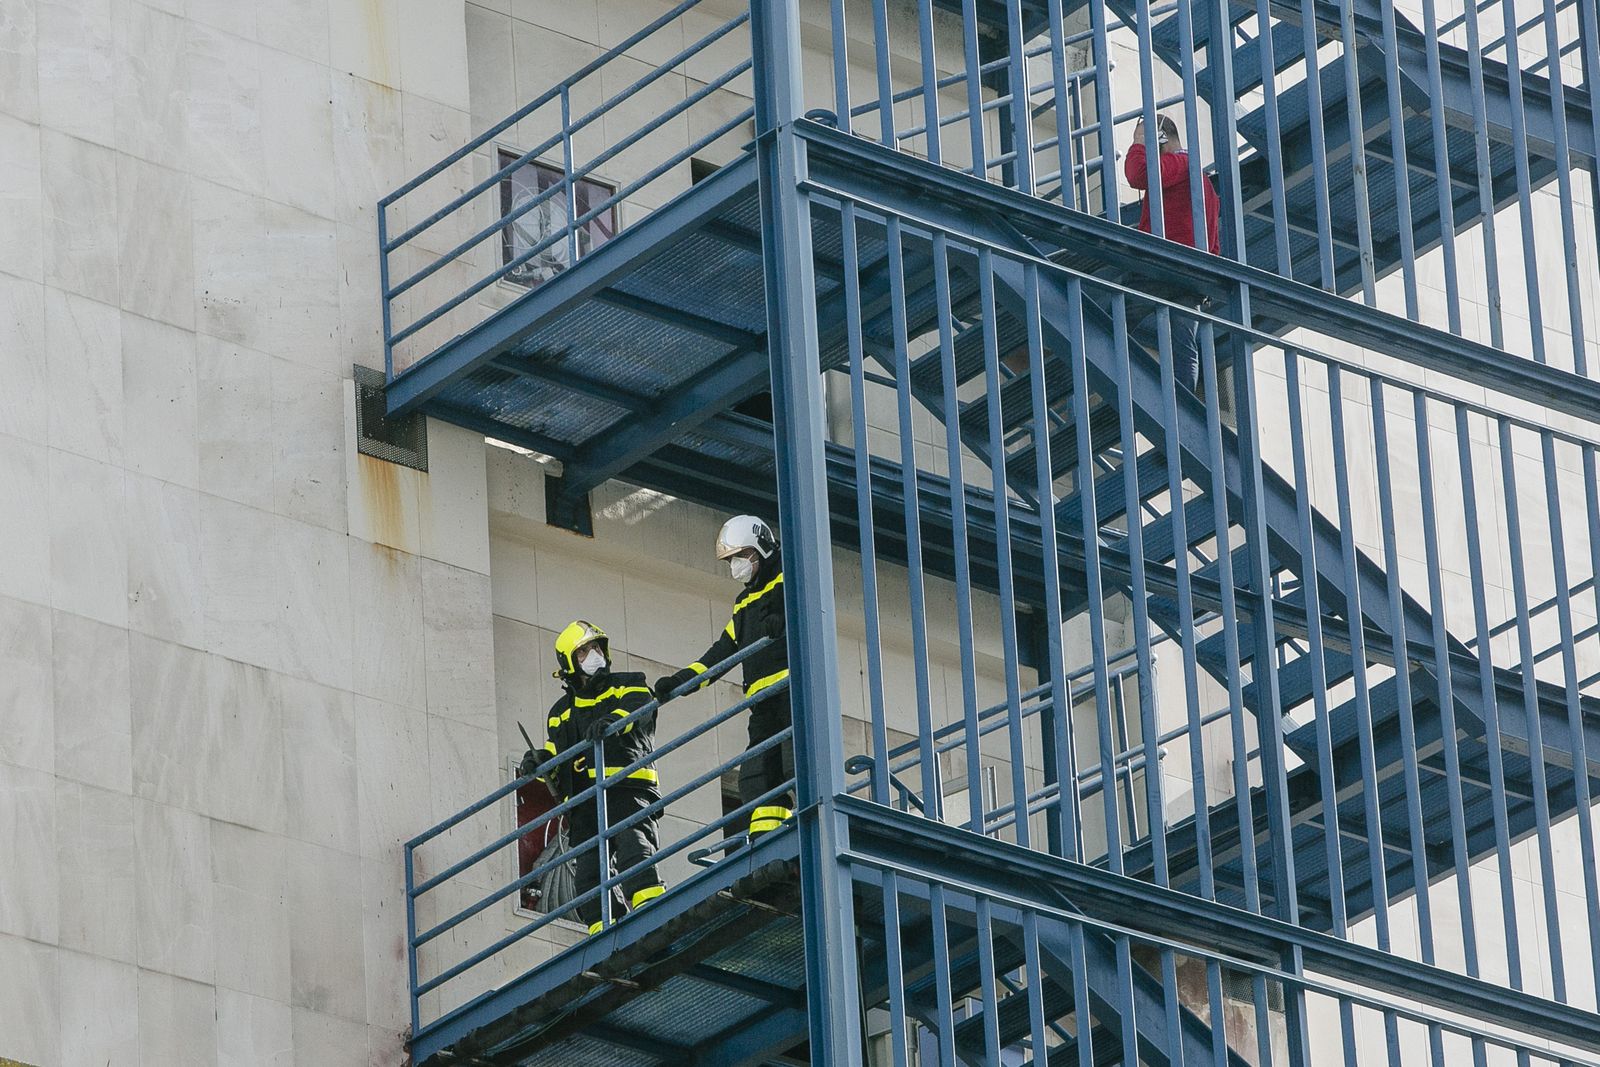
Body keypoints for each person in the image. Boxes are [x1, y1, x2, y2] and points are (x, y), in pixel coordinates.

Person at [520, 619, 664, 934]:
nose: (595, 654)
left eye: (597, 647)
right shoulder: (560, 712)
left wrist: (613, 722)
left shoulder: (628, 683)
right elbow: (557, 755)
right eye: (584, 650)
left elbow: (641, 707)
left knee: (633, 849)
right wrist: (539, 763)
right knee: (587, 876)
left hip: (626, 786)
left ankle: (653, 912)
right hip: (584, 802)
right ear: (569, 661)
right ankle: (605, 930)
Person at [653, 516, 793, 840]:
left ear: (759, 549)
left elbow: (804, 608)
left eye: (739, 557)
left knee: (792, 762)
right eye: (731, 561)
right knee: (757, 773)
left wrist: (782, 617)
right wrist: (680, 682)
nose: (736, 566)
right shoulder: (743, 602)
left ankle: (800, 829)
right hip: (762, 703)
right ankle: (766, 844)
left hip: (792, 692)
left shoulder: (791, 575)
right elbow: (723, 651)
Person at [1124, 113, 1221, 390]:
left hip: (1163, 265)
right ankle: (1184, 405)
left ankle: (1096, 364)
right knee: (1184, 344)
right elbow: (1213, 240)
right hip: (1193, 274)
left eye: (1145, 138)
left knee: (1115, 315)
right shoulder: (1203, 183)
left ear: (1160, 138)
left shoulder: (1180, 162)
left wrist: (1138, 145)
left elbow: (1138, 175)